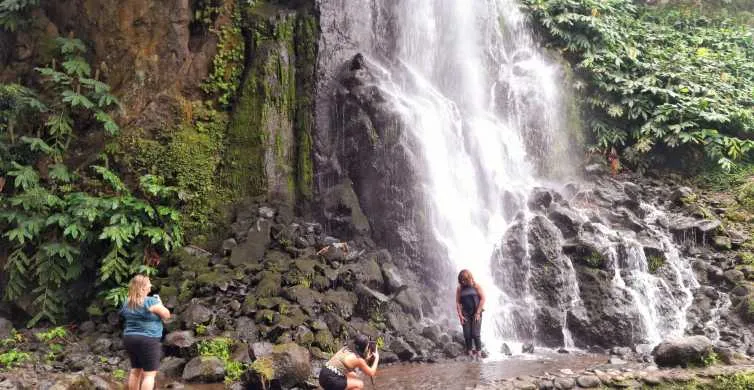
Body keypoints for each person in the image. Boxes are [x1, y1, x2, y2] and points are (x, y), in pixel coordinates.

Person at [120, 275, 171, 390]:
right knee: (149, 375)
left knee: (135, 371)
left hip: (129, 338)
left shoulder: (126, 302)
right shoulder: (150, 301)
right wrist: (160, 303)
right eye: (148, 284)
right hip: (147, 339)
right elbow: (167, 315)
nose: (150, 286)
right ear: (142, 288)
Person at [455, 269, 486, 358]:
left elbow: (483, 298)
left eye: (465, 279)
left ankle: (479, 354)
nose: (463, 282)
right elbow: (458, 302)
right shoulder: (459, 289)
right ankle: (470, 354)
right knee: (467, 334)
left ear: (469, 278)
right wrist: (460, 315)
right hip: (465, 314)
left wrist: (478, 312)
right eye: (461, 280)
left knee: (475, 334)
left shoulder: (476, 286)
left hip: (476, 312)